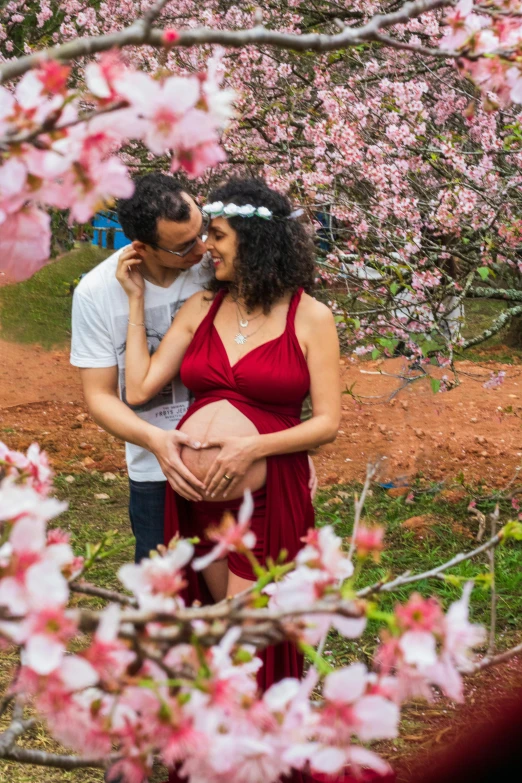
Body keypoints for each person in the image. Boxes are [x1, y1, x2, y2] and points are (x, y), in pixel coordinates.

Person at [117, 177, 341, 698]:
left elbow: (327, 423)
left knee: (248, 636)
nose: (206, 249)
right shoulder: (201, 308)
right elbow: (141, 388)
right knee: (216, 630)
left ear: (255, 240)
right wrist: (135, 303)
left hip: (266, 498)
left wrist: (252, 447)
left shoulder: (310, 316)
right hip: (197, 501)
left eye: (216, 236)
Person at [70, 173, 212, 563]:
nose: (202, 249)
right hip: (155, 471)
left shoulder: (216, 269)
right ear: (143, 247)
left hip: (227, 457)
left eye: (204, 231)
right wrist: (155, 441)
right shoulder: (96, 293)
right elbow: (99, 396)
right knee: (161, 593)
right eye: (185, 247)